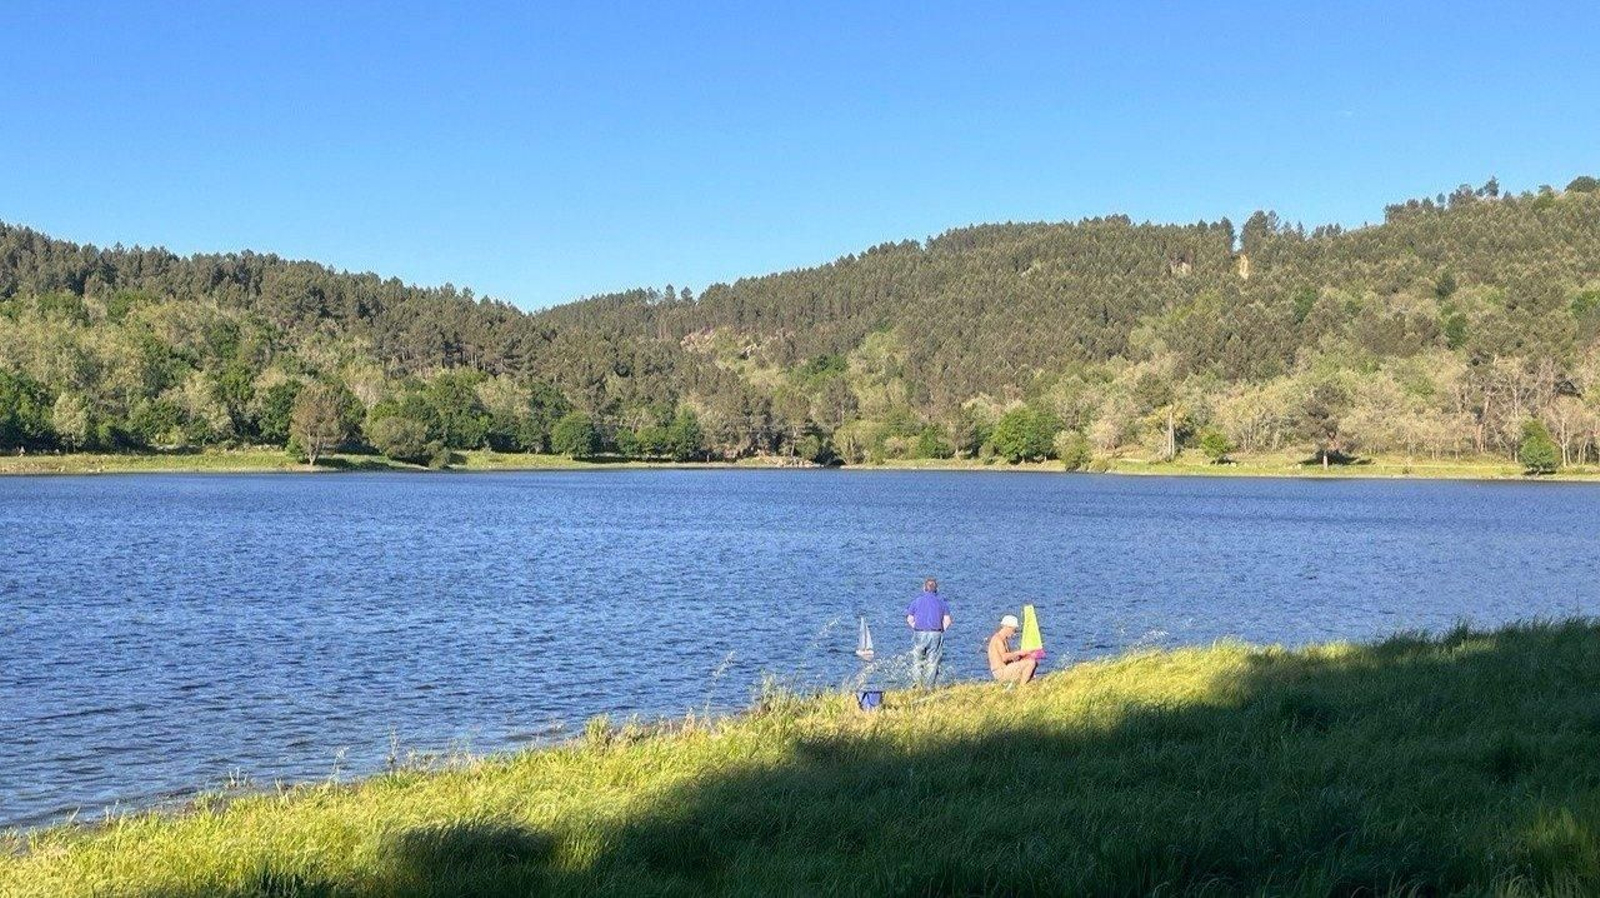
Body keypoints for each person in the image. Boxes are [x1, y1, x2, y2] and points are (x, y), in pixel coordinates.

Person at [905, 577, 951, 689]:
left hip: (919, 632)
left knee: (917, 661)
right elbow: (948, 620)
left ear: (924, 588)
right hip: (935, 633)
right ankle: (928, 688)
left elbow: (909, 619)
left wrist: (916, 627)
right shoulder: (941, 602)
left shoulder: (917, 601)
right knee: (932, 662)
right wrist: (941, 630)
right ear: (936, 589)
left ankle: (917, 684)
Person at [987, 614, 1037, 684]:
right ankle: (1021, 689)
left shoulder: (1003, 639)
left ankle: (1026, 683)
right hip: (1001, 672)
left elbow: (1008, 658)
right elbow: (1004, 657)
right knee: (1031, 662)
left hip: (1005, 669)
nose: (1014, 633)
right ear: (1007, 627)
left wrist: (1021, 657)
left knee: (1030, 661)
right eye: (1013, 630)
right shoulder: (998, 640)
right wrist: (1019, 653)